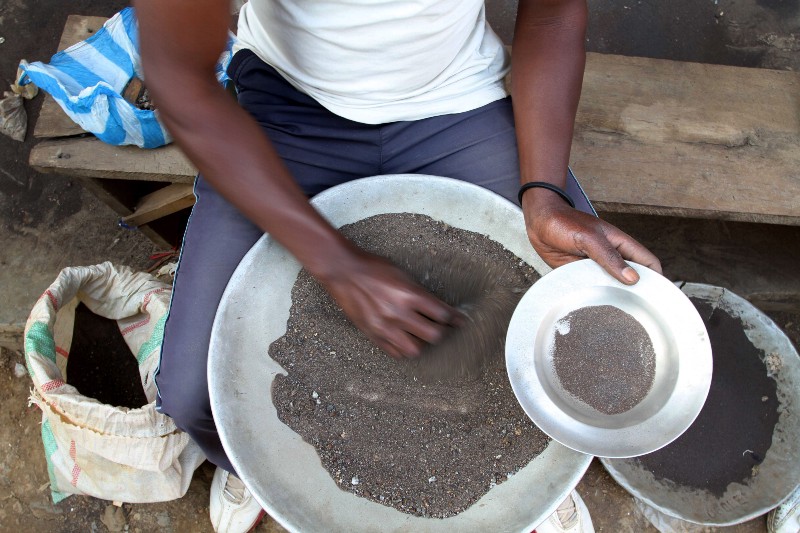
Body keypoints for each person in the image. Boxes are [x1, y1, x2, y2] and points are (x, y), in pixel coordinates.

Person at [134, 0, 662, 531]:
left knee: (579, 329)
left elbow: (553, 16)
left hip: (458, 97)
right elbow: (178, 78)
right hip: (289, 105)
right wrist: (334, 263)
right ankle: (246, 462)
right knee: (193, 391)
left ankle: (543, 485)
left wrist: (545, 194)